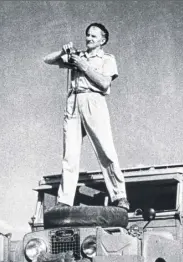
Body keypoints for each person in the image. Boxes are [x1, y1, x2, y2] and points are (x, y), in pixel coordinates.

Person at [43, 23, 129, 211]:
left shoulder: (107, 59)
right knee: (70, 155)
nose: (89, 39)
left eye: (93, 36)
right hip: (73, 101)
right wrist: (61, 52)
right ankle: (64, 200)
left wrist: (85, 67)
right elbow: (46, 60)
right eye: (87, 35)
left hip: (94, 100)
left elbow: (105, 83)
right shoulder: (78, 55)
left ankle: (119, 195)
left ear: (102, 40)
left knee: (106, 150)